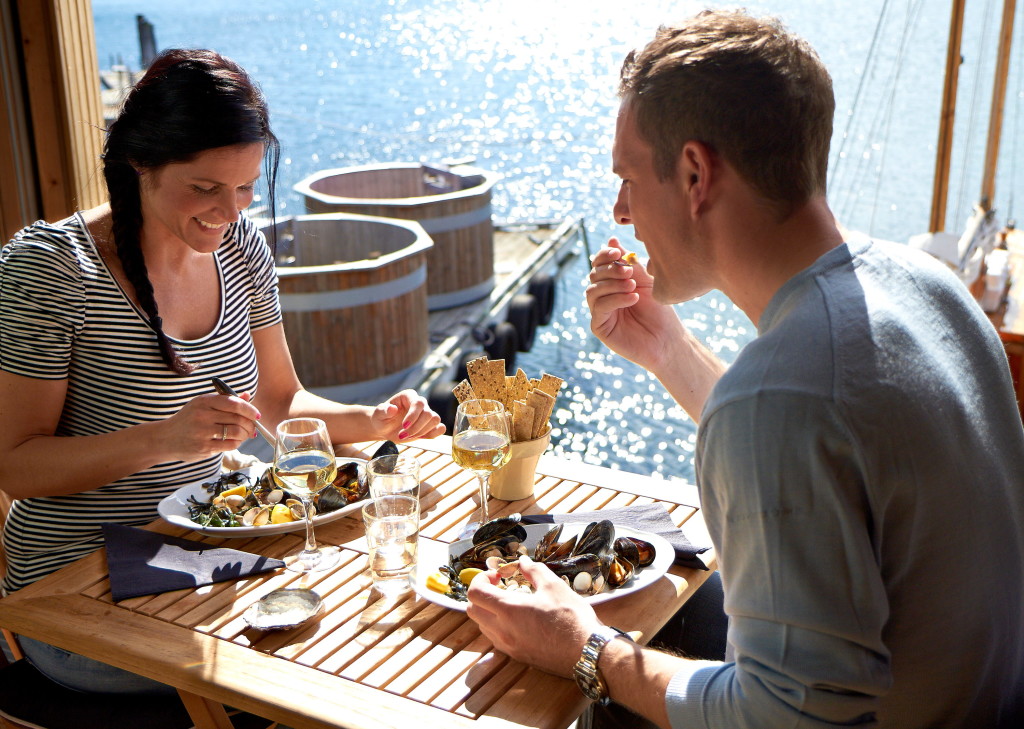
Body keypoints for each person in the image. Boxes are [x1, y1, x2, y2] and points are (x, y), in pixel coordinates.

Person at [466, 9, 1024, 728]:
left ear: (696, 173)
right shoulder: (931, 288)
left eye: (630, 179)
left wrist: (583, 644)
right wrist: (667, 349)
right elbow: (819, 439)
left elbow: (788, 719)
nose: (621, 210)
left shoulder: (782, 396)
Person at [0, 48, 443, 693]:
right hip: (75, 594)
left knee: (381, 615)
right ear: (138, 164)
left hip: (204, 555)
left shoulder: (240, 248)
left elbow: (281, 402)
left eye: (243, 188)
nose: (228, 210)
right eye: (204, 188)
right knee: (308, 674)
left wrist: (371, 419)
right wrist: (162, 439)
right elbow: (14, 464)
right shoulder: (51, 270)